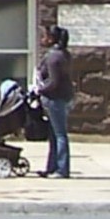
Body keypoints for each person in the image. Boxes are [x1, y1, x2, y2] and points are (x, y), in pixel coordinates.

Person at [36, 23, 74, 178]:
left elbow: (53, 82)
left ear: (51, 38)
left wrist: (39, 89)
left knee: (59, 135)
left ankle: (62, 169)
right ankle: (52, 167)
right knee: (54, 135)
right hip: (64, 97)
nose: (42, 39)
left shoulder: (53, 57)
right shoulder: (64, 54)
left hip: (55, 99)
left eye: (44, 36)